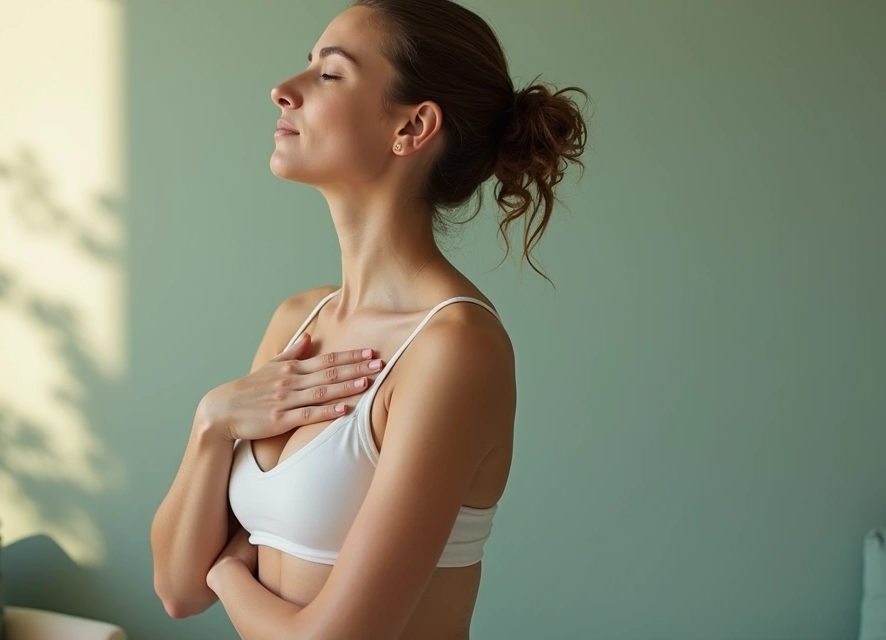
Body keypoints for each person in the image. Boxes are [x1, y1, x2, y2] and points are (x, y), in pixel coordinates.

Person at [151, 1, 587, 637]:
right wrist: (211, 424)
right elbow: (176, 589)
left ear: (412, 127)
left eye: (329, 74)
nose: (283, 90)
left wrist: (227, 574)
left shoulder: (455, 349)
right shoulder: (300, 320)